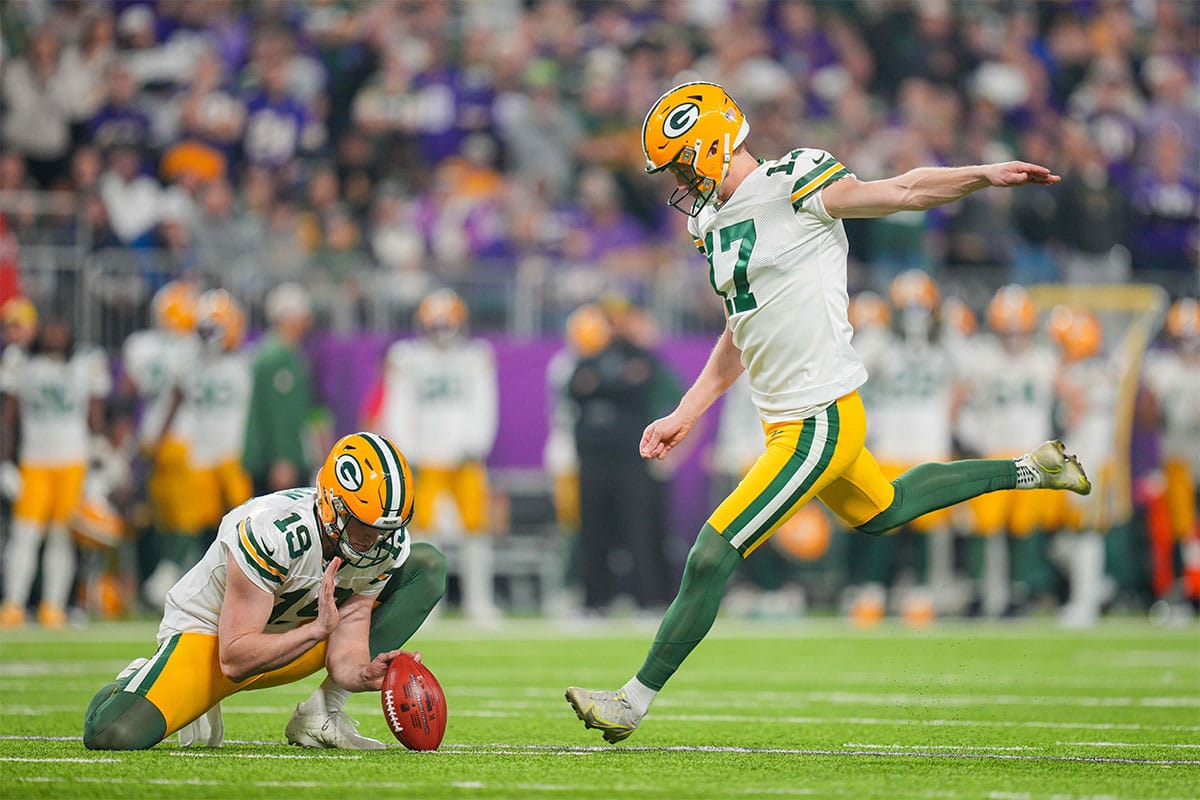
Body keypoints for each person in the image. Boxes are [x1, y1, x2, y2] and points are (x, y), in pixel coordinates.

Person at [565, 81, 1092, 743]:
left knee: (710, 552)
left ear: (713, 145)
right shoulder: (710, 222)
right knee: (885, 510)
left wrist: (979, 175)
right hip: (788, 418)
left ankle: (631, 702)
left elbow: (899, 190)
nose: (675, 180)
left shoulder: (794, 181)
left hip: (819, 416)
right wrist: (688, 411)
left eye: (678, 163)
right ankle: (1031, 469)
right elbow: (740, 330)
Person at [82, 431, 447, 750]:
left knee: (425, 567)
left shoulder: (383, 541)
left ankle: (321, 713)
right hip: (215, 641)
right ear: (332, 505)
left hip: (298, 635)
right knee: (114, 733)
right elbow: (236, 658)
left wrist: (360, 674)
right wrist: (316, 630)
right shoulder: (271, 532)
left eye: (384, 528)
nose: (376, 539)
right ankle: (138, 679)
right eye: (364, 528)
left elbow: (351, 625)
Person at [369, 288, 500, 625]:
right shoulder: (407, 357)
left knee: (476, 530)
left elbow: (485, 404)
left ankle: (478, 602)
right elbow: (398, 406)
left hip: (463, 458)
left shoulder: (475, 356)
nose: (442, 331)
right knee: (424, 534)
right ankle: (427, 606)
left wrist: (474, 445)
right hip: (425, 458)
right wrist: (408, 451)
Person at [0, 318, 110, 628]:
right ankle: (13, 604)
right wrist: (5, 461)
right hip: (34, 460)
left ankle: (53, 606)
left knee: (62, 537)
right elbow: (8, 417)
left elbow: (94, 417)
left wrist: (99, 462)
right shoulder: (21, 363)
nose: (56, 336)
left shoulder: (85, 365)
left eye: (62, 331)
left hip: (72, 460)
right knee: (25, 535)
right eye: (51, 330)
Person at [243, 282, 318, 496]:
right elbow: (279, 413)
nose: (307, 323)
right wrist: (283, 457)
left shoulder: (275, 352)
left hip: (273, 457)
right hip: (278, 462)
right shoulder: (279, 357)